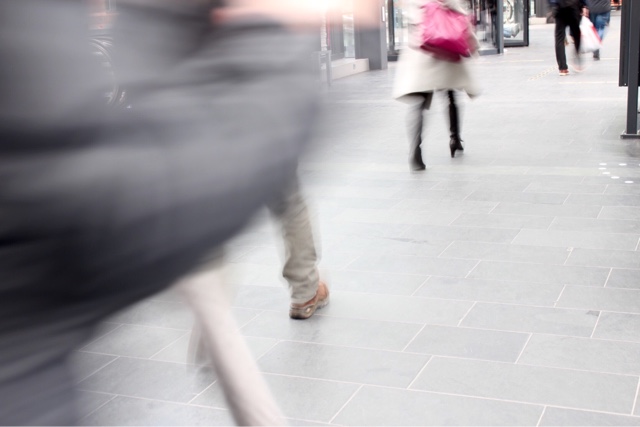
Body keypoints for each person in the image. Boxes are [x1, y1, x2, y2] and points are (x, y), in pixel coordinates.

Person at [0, 0, 322, 424]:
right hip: (217, 114)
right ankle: (304, 289)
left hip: (177, 114)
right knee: (286, 201)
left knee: (207, 238)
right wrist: (279, 54)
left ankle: (216, 330)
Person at [393, 0, 480, 171]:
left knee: (419, 104)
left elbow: (412, 19)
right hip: (445, 53)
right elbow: (459, 13)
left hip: (422, 52)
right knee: (451, 95)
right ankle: (455, 139)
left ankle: (415, 149)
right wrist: (473, 45)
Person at [550, 0, 588, 75]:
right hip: (573, 7)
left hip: (560, 7)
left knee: (559, 38)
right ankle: (577, 60)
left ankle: (562, 68)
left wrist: (554, 4)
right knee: (576, 34)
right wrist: (584, 5)